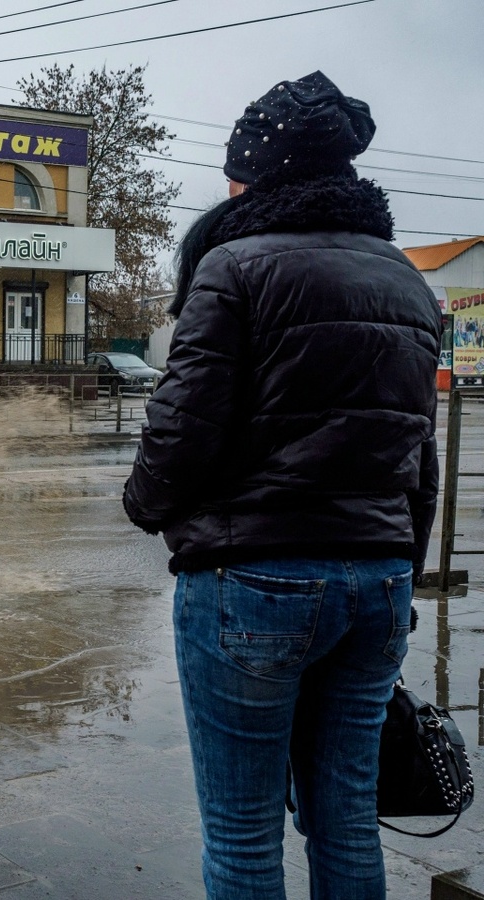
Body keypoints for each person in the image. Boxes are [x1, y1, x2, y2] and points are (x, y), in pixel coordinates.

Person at [121, 72, 441, 900]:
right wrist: (400, 573)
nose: (227, 186)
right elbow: (419, 456)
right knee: (344, 820)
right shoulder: (405, 276)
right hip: (377, 578)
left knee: (241, 832)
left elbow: (181, 431)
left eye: (235, 169)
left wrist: (146, 506)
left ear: (262, 174)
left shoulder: (233, 266)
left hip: (254, 579)